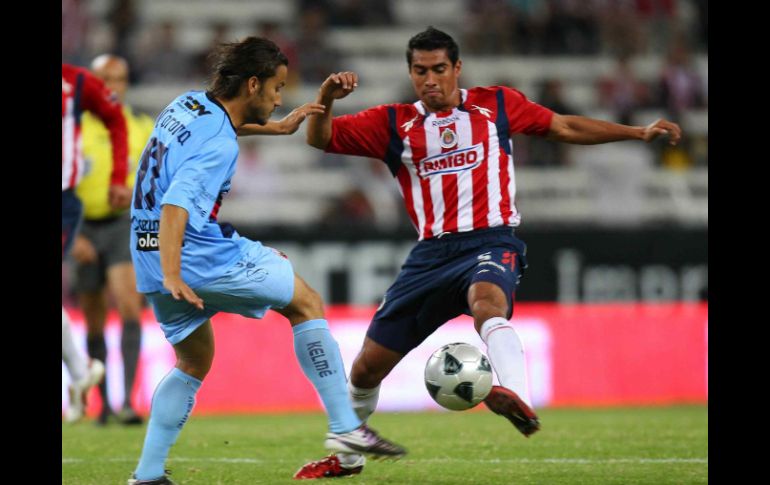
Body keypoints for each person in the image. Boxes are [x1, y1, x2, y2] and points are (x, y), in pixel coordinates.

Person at [296, 26, 682, 479]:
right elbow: (319, 139)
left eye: (439, 69)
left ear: (457, 68)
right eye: (420, 71)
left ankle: (517, 395)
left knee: (487, 302)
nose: (430, 80)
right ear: (410, 73)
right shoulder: (393, 123)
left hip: (490, 240)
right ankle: (347, 458)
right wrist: (328, 99)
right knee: (364, 369)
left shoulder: (496, 104)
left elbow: (563, 125)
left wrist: (637, 132)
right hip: (430, 256)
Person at [126, 37, 406, 485]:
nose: (280, 99)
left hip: (145, 250)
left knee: (193, 360)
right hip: (191, 254)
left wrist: (275, 129)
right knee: (306, 302)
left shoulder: (190, 104)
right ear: (252, 84)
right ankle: (346, 428)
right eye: (276, 89)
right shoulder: (220, 146)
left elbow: (213, 134)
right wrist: (176, 272)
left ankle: (148, 474)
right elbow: (177, 203)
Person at [71, 54, 155, 426]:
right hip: (82, 227)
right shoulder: (73, 126)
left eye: (118, 79)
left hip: (124, 224)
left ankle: (128, 403)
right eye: (104, 79)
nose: (112, 86)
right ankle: (102, 405)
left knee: (128, 306)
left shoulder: (142, 127)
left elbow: (156, 183)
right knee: (92, 319)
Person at [62, 63, 132, 422]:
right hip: (81, 218)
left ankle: (110, 393)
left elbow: (116, 119)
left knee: (125, 302)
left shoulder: (76, 82)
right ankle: (79, 369)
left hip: (79, 208)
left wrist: (120, 176)